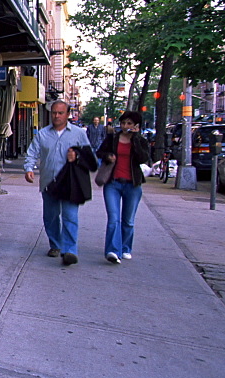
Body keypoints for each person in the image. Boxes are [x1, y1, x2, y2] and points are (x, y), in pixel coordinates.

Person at [24, 100, 93, 266]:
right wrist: (28, 168)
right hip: (50, 182)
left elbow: (90, 157)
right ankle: (55, 244)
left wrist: (77, 157)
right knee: (51, 216)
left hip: (71, 184)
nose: (56, 116)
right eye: (54, 112)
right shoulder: (42, 134)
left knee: (70, 216)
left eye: (60, 113)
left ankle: (70, 250)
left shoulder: (78, 134)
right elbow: (32, 153)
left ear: (67, 114)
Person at [96, 111, 151, 264]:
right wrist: (108, 156)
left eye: (129, 124)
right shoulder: (113, 138)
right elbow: (100, 152)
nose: (125, 126)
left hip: (132, 184)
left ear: (135, 126)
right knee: (113, 219)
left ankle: (125, 248)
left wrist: (135, 140)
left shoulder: (140, 140)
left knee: (128, 221)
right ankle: (112, 250)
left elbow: (143, 158)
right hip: (113, 183)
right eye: (123, 123)